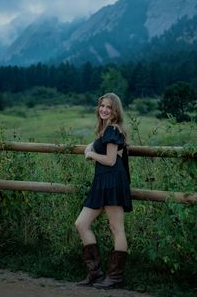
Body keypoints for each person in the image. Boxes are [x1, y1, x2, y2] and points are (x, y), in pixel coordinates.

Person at [75, 92, 132, 289]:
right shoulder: (107, 131)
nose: (104, 110)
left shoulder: (113, 130)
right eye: (102, 106)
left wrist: (91, 154)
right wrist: (92, 145)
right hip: (102, 181)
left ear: (115, 110)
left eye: (109, 107)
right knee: (81, 223)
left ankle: (115, 277)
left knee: (117, 228)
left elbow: (110, 160)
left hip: (112, 181)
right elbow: (111, 150)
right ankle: (95, 272)